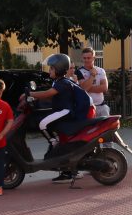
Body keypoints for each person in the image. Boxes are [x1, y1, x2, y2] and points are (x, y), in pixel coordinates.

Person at [30, 53, 93, 182]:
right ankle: (58, 151)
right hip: (62, 110)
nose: (49, 70)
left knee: (43, 124)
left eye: (52, 68)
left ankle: (54, 142)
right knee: (46, 123)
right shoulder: (58, 82)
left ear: (58, 69)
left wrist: (30, 93)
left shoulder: (63, 82)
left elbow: (48, 94)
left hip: (66, 111)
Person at [75, 46, 109, 117]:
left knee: (105, 127)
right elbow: (84, 89)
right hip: (87, 107)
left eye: (89, 58)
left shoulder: (101, 70)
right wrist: (92, 75)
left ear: (94, 58)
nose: (86, 60)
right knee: (90, 128)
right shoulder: (78, 72)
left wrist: (88, 87)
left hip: (101, 106)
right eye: (84, 58)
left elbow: (104, 88)